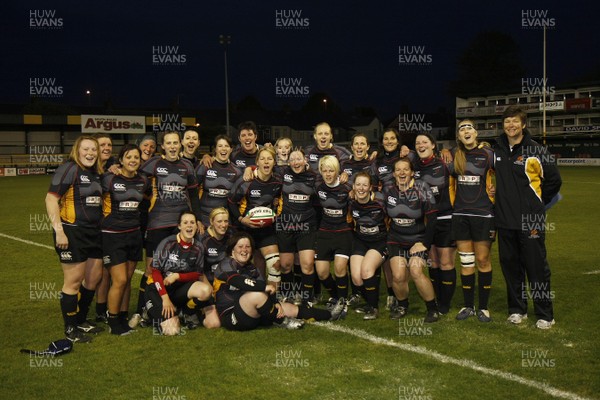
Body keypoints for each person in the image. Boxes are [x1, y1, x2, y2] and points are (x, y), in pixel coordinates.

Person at [494, 106, 562, 329]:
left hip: (530, 221)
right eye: (507, 122)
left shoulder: (536, 150)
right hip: (504, 221)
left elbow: (554, 181)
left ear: (523, 125)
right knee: (511, 268)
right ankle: (517, 310)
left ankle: (545, 314)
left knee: (536, 268)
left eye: (515, 122)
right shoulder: (496, 150)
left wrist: (537, 204)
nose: (510, 126)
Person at [131, 131, 202, 326]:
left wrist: (198, 220)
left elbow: (194, 196)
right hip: (157, 225)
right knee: (151, 269)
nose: (172, 146)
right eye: (168, 143)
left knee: (179, 267)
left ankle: (180, 308)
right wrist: (116, 168)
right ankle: (141, 311)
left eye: (175, 143)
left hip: (180, 226)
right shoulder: (154, 164)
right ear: (163, 146)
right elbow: (133, 175)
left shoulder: (187, 166)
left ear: (180, 145)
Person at [213, 232, 340, 331]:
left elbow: (266, 291)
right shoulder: (225, 265)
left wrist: (275, 302)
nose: (244, 250)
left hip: (252, 313)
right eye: (240, 247)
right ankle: (283, 322)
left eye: (248, 247)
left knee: (288, 308)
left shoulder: (251, 268)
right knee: (258, 294)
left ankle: (329, 314)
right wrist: (264, 287)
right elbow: (238, 281)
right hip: (232, 314)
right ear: (232, 250)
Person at [45, 135, 104, 343]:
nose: (90, 153)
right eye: (85, 149)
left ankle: (80, 319)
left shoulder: (96, 173)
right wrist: (59, 230)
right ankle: (70, 328)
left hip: (94, 233)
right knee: (74, 281)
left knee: (94, 278)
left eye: (93, 150)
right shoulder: (69, 168)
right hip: (71, 232)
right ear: (77, 151)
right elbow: (51, 199)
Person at [100, 144, 150, 335]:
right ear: (120, 160)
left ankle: (121, 317)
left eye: (136, 157)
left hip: (134, 234)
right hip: (113, 235)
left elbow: (149, 199)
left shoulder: (143, 180)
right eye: (128, 157)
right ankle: (113, 322)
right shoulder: (109, 178)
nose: (133, 160)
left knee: (127, 280)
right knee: (119, 280)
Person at [145, 211, 220, 334]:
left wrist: (177, 276)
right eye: (185, 223)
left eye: (192, 222)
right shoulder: (167, 243)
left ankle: (185, 311)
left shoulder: (199, 247)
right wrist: (165, 299)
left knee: (206, 290)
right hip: (158, 289)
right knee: (172, 330)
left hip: (178, 289)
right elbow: (155, 272)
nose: (189, 226)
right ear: (179, 226)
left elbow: (197, 273)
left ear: (197, 226)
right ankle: (148, 310)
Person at [383, 158, 439, 322]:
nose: (401, 173)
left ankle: (432, 308)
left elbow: (433, 218)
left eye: (405, 169)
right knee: (399, 276)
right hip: (396, 239)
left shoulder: (422, 187)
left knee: (415, 271)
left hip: (418, 239)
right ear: (393, 173)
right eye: (398, 170)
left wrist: (424, 244)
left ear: (412, 172)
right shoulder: (388, 188)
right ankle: (402, 305)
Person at [451, 120, 495, 323]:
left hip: (483, 215)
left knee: (483, 261)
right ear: (459, 137)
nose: (466, 131)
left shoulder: (488, 154)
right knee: (466, 262)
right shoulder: (455, 156)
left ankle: (484, 308)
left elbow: (505, 175)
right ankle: (468, 305)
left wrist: (496, 192)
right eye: (462, 129)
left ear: (476, 133)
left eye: (469, 128)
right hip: (461, 215)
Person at [414, 133, 456, 315]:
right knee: (433, 262)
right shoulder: (413, 167)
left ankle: (445, 304)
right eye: (417, 143)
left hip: (446, 218)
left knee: (446, 261)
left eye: (425, 142)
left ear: (433, 145)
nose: (421, 145)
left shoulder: (445, 164)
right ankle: (437, 298)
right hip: (426, 221)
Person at [228, 147, 282, 286]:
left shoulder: (278, 181)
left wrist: (274, 213)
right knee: (250, 266)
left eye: (269, 159)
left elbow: (277, 200)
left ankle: (272, 299)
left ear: (274, 162)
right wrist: (241, 219)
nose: (266, 162)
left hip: (266, 229)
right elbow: (231, 202)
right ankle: (255, 293)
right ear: (257, 161)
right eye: (262, 158)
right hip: (246, 229)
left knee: (275, 264)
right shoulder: (246, 180)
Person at [276, 148, 320, 305]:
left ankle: (308, 297)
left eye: (298, 159)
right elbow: (262, 166)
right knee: (286, 265)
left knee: (307, 264)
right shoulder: (282, 173)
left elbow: (329, 181)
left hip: (306, 225)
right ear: (288, 162)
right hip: (286, 225)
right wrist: (249, 169)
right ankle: (288, 294)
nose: (295, 162)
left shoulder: (314, 177)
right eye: (292, 159)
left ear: (305, 160)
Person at [314, 155, 352, 314]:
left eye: (331, 170)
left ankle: (343, 303)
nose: (328, 174)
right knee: (322, 272)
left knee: (339, 268)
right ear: (321, 172)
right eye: (325, 171)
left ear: (337, 171)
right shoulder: (319, 187)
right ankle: (335, 296)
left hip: (343, 232)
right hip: (324, 232)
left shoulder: (347, 188)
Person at [348, 172, 387, 320]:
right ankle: (370, 301)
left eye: (365, 185)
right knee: (357, 279)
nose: (361, 188)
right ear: (353, 186)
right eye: (358, 184)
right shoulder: (350, 201)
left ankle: (373, 308)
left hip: (380, 241)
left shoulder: (381, 201)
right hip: (361, 241)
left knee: (366, 271)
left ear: (371, 187)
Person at [195, 135, 241, 231]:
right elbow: (192, 193)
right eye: (220, 146)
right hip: (205, 218)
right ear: (215, 149)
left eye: (226, 146)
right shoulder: (205, 166)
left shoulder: (237, 171)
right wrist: (197, 219)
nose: (223, 149)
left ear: (231, 149)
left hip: (226, 220)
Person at [200, 207, 232, 284]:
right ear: (211, 221)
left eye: (226, 221)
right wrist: (209, 288)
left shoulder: (231, 235)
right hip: (208, 280)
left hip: (228, 278)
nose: (223, 225)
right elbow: (198, 270)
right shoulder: (203, 239)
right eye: (219, 221)